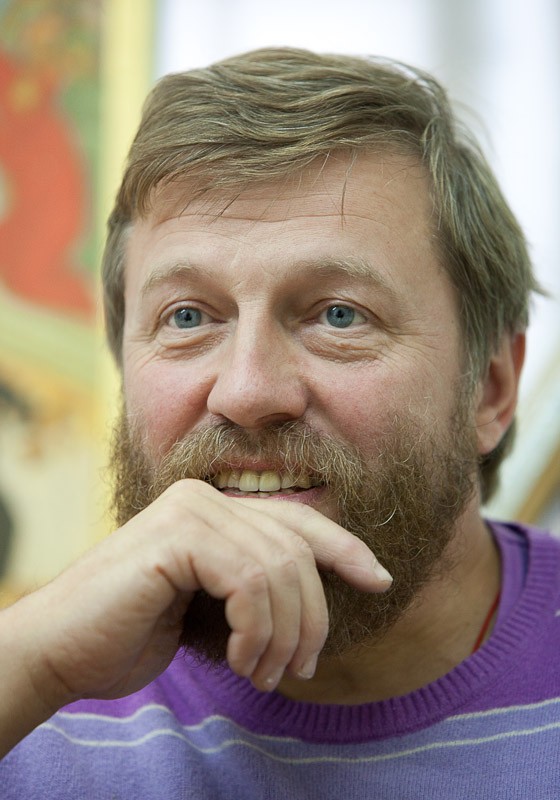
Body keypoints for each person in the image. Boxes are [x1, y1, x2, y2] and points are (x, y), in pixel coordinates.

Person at [0, 47, 557, 798]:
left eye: (339, 315)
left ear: (489, 389)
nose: (247, 391)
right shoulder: (33, 696)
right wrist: (32, 667)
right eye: (187, 317)